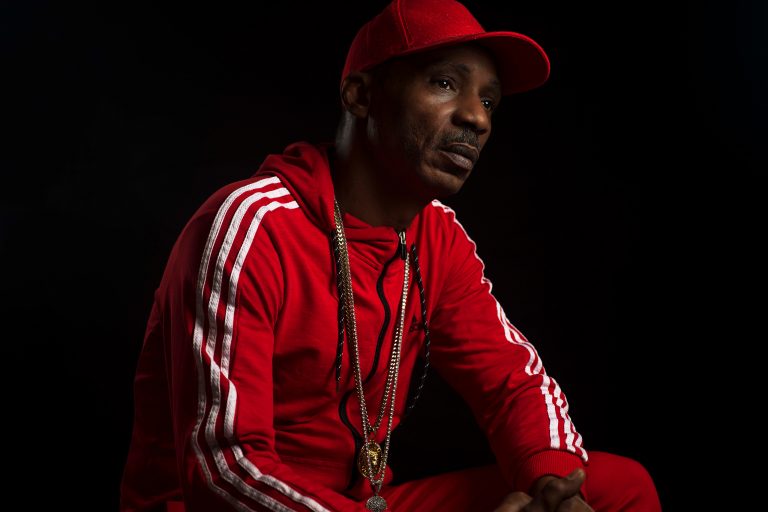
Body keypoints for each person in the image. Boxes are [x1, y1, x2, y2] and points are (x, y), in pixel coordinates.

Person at [120, 1, 662, 511]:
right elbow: (225, 469)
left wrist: (553, 489)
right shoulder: (251, 226)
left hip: (360, 502)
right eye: (445, 83)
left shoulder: (437, 237)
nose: (476, 119)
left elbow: (512, 384)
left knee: (621, 487)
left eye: (489, 102)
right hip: (229, 503)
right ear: (360, 95)